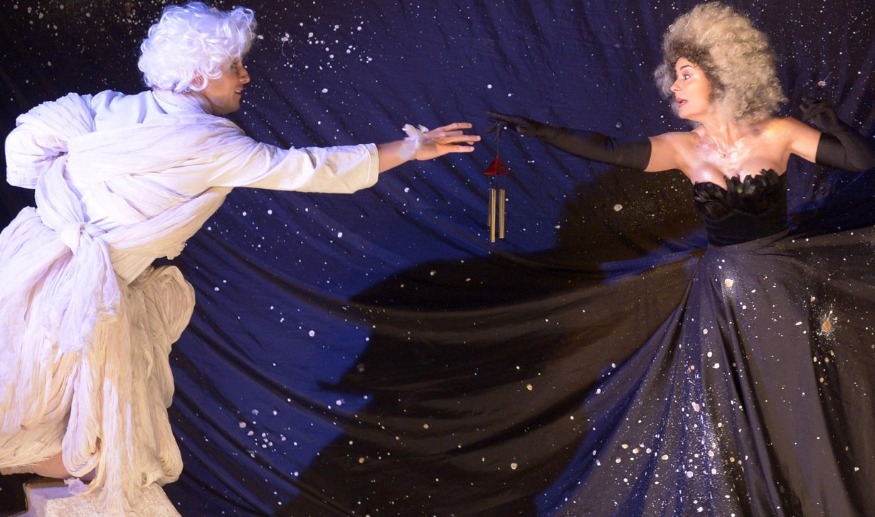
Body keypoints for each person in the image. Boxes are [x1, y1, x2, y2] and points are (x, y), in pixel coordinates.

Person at [0, 1, 478, 513]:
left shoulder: (101, 110)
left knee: (63, 427)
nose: (245, 76)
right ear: (199, 74)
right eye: (234, 66)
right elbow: (308, 169)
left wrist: (74, 185)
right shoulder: (209, 142)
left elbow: (21, 155)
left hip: (24, 264)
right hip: (74, 294)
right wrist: (408, 150)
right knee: (77, 437)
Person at [489, 2, 875, 515]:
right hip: (721, 301)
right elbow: (611, 148)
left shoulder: (777, 132)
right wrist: (542, 132)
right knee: (731, 413)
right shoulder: (683, 148)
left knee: (793, 400)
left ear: (722, 73)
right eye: (674, 76)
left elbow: (860, 161)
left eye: (687, 74)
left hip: (779, 291)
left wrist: (834, 124)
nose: (675, 85)